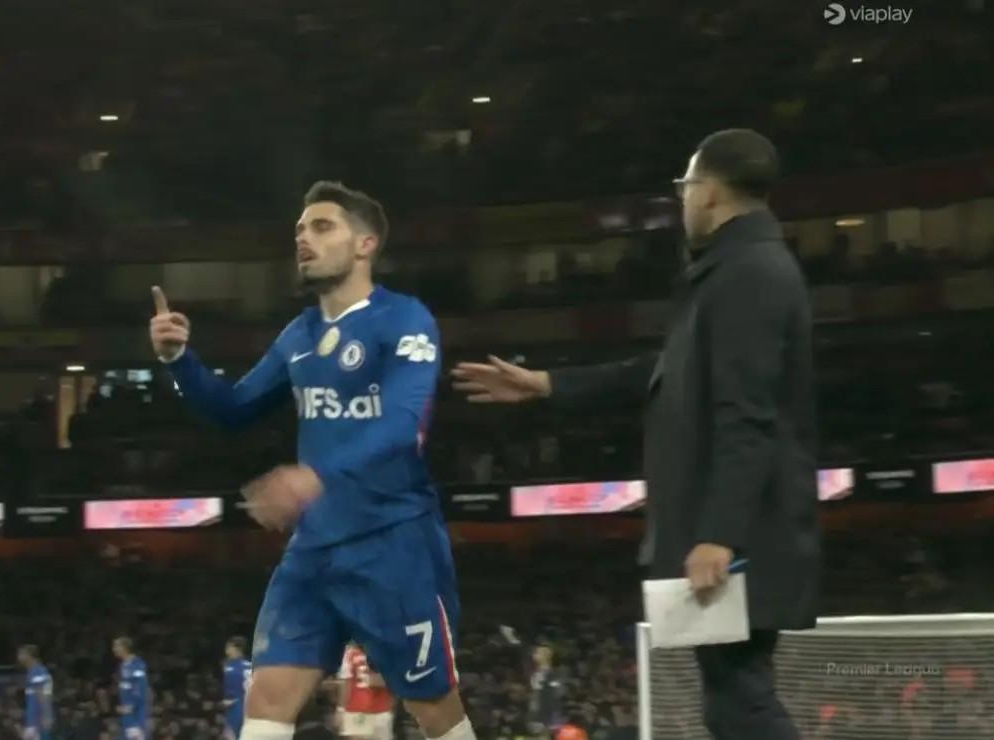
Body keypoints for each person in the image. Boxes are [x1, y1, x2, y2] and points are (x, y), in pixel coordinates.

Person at [452, 129, 819, 740]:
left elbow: (747, 416)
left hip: (742, 534)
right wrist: (547, 384)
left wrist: (718, 534)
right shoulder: (731, 269)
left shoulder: (749, 273)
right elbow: (664, 372)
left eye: (685, 186)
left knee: (741, 702)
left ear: (709, 191)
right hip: (739, 527)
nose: (682, 200)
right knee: (731, 699)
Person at [149, 181, 474, 740]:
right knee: (267, 698)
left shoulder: (404, 319)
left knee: (434, 707)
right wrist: (180, 360)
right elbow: (232, 410)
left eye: (322, 227)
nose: (303, 238)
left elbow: (401, 425)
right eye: (300, 229)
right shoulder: (299, 334)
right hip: (314, 551)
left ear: (366, 244)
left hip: (393, 544)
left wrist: (316, 476)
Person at [338, 643, 394, 740]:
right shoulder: (387, 651)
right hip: (375, 710)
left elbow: (346, 684)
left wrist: (340, 709)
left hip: (361, 710)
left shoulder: (349, 653)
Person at [527, 642, 569, 738]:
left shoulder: (558, 673)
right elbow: (534, 693)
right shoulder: (534, 674)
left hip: (550, 712)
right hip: (537, 711)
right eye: (536, 652)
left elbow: (559, 692)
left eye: (539, 652)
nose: (535, 655)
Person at [113, 637, 150, 740]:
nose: (114, 649)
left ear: (124, 647)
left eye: (116, 646)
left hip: (136, 716)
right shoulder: (122, 666)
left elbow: (141, 688)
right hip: (126, 716)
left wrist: (131, 706)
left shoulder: (138, 664)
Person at [18, 645, 54, 740]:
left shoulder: (37, 671)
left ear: (30, 656)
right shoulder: (32, 672)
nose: (19, 657)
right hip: (34, 720)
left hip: (38, 720)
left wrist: (46, 715)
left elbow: (42, 694)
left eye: (22, 654)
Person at [222, 637, 253, 740]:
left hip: (236, 706)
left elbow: (230, 694)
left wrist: (226, 702)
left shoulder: (230, 668)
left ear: (236, 649)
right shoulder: (251, 665)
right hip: (251, 707)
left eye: (228, 647)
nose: (226, 650)